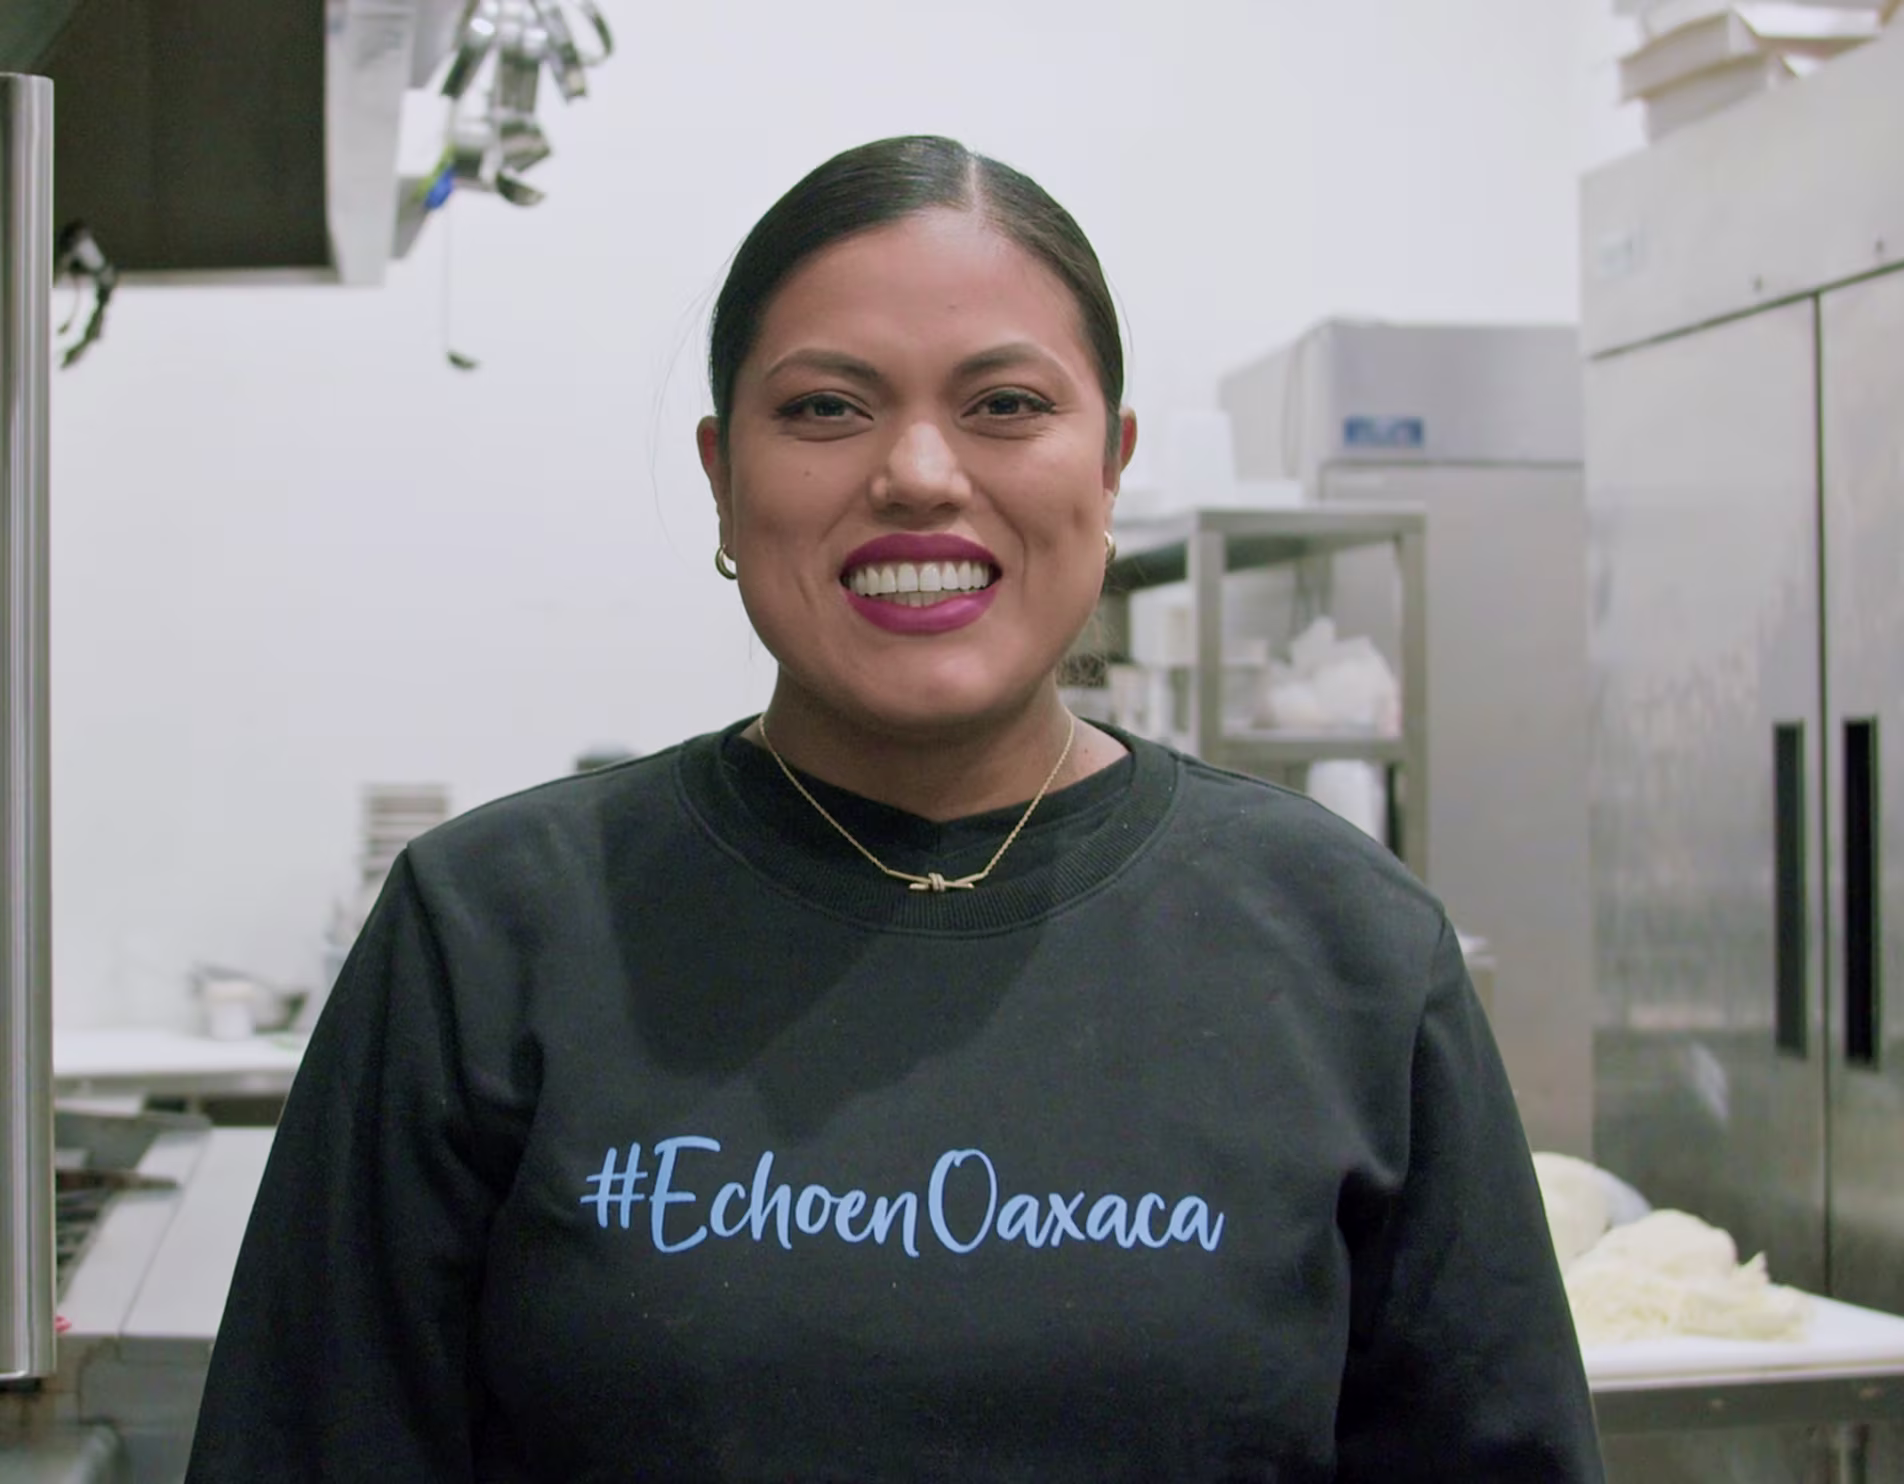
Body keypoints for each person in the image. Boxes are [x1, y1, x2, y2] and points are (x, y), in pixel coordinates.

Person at [185, 135, 1603, 1482]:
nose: (919, 474)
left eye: (1005, 405)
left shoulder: (1348, 944)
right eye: (824, 407)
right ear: (722, 481)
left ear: (1109, 467)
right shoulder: (489, 935)